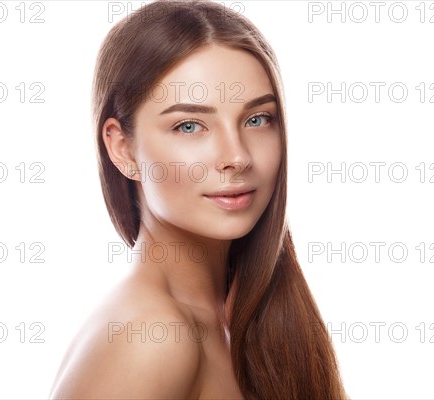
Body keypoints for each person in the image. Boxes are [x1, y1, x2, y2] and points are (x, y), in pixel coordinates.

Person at [50, 1, 347, 398]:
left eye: (257, 119)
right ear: (122, 148)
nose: (237, 156)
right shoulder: (151, 337)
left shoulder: (240, 319)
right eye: (190, 126)